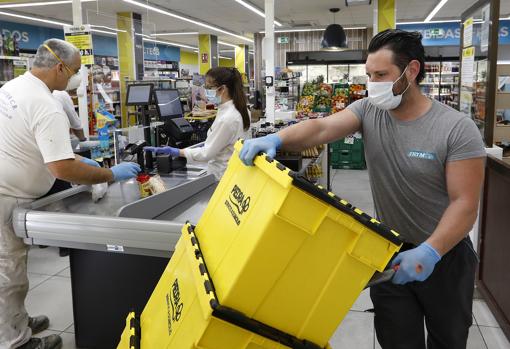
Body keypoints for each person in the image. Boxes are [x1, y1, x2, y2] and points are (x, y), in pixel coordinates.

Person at [239, 29, 485, 349]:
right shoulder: (370, 110)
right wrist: (277, 139)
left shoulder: (455, 128)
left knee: (448, 340)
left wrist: (431, 250)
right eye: (369, 74)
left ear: (411, 71)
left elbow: (465, 204)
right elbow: (324, 126)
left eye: (381, 74)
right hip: (389, 251)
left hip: (446, 256)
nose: (373, 83)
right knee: (397, 340)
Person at [0, 39, 141, 349]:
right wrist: (106, 174)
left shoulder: (13, 87)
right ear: (59, 67)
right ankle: (15, 341)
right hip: (6, 196)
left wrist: (76, 157)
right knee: (9, 274)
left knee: (13, 270)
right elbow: (62, 168)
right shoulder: (47, 104)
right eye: (76, 71)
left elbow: (33, 143)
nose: (76, 78)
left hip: (6, 187)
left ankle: (16, 320)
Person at [144, 67, 250, 180]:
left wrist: (176, 151)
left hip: (222, 176)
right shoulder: (239, 109)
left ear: (222, 89)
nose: (205, 91)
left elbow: (206, 154)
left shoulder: (227, 118)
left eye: (209, 87)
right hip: (233, 172)